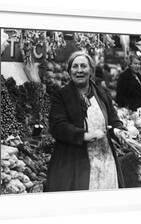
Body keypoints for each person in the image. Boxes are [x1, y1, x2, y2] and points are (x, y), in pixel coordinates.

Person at [44, 51, 126, 192]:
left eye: (84, 66)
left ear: (91, 70)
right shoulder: (62, 96)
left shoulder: (102, 94)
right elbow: (57, 126)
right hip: (75, 162)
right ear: (69, 71)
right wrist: (84, 135)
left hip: (105, 160)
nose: (79, 70)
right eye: (75, 66)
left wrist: (119, 131)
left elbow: (113, 120)